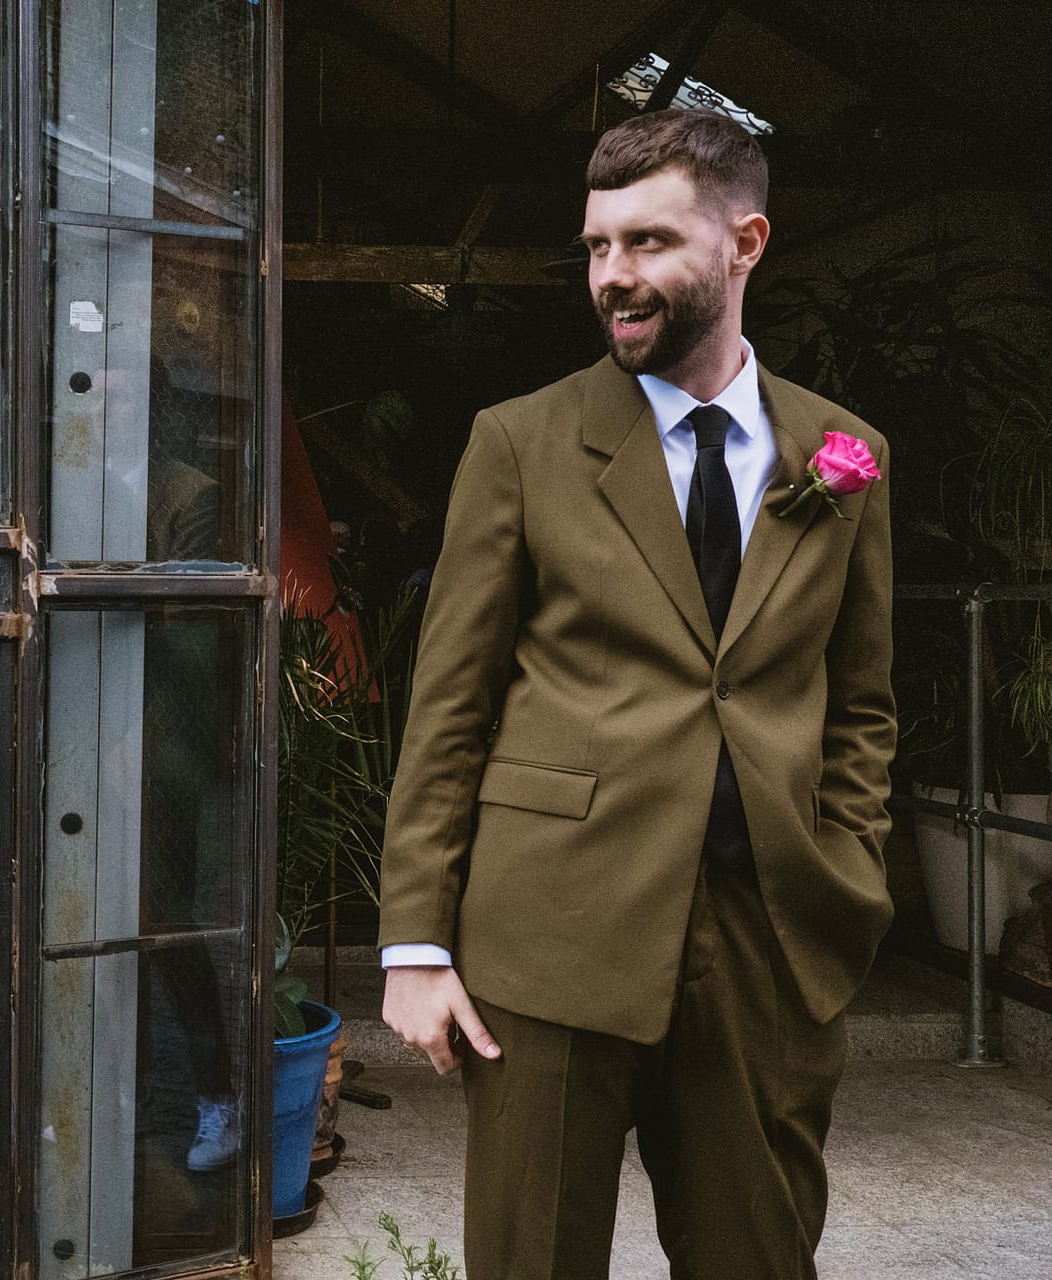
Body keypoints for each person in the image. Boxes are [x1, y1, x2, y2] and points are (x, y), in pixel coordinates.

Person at [376, 109, 895, 1279]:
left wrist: (846, 862)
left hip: (764, 940)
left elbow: (862, 701)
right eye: (600, 246)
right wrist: (414, 939)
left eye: (651, 243)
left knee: (758, 1258)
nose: (616, 277)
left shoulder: (842, 451)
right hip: (548, 936)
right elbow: (449, 703)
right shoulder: (518, 443)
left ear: (745, 241)